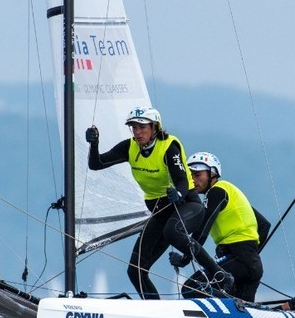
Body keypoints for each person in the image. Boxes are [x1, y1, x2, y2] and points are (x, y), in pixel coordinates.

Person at [86, 107, 233, 299]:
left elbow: (181, 179)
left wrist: (178, 193)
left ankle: (221, 275)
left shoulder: (168, 147)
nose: (137, 132)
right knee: (135, 270)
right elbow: (96, 164)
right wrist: (94, 143)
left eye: (142, 127)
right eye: (133, 128)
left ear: (154, 127)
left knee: (172, 232)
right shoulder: (129, 147)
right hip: (161, 213)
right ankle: (154, 309)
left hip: (187, 205)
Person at [170, 151, 271, 301]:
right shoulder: (229, 191)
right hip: (252, 265)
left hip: (236, 258)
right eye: (190, 176)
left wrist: (184, 259)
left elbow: (202, 231)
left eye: (198, 175)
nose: (193, 180)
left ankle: (234, 301)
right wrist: (251, 259)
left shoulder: (216, 192)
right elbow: (264, 225)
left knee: (191, 288)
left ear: (212, 174)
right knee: (242, 316)